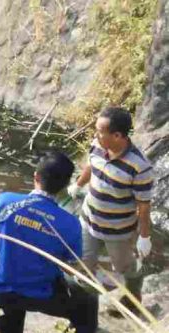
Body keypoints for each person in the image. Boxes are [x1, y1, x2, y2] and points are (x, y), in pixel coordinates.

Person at [0, 151, 98, 333]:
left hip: (0, 290)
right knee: (87, 303)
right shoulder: (70, 223)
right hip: (42, 292)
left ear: (36, 177)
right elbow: (71, 265)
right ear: (66, 187)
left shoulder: (6, 201)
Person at [67, 107, 154, 315]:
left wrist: (145, 237)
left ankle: (134, 298)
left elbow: (143, 206)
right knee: (83, 266)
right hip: (88, 221)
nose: (95, 134)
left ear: (117, 135)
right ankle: (85, 312)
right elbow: (91, 166)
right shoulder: (97, 145)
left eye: (99, 130)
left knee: (125, 268)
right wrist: (78, 185)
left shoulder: (139, 167)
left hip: (118, 230)